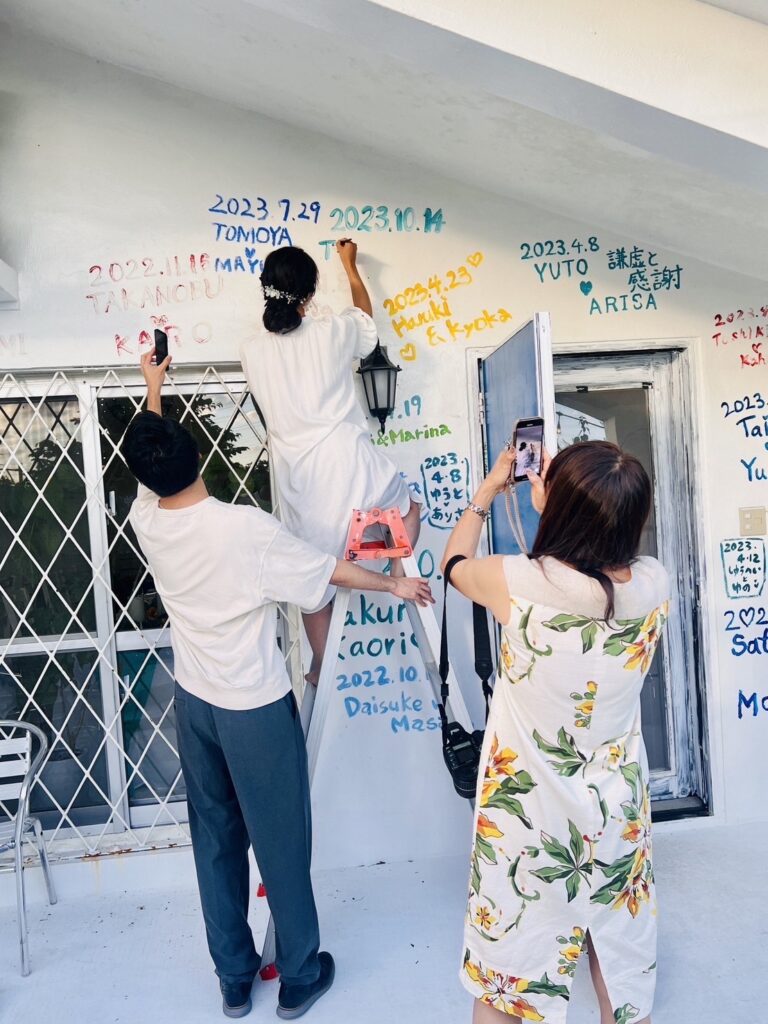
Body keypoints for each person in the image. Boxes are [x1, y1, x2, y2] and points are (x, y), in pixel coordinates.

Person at [121, 349, 433, 1021]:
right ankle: (298, 978)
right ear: (197, 458)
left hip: (195, 704)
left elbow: (149, 458)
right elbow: (328, 572)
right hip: (253, 709)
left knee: (215, 840)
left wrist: (153, 387)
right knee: (282, 842)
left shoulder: (148, 518)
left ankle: (234, 980)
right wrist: (394, 585)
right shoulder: (244, 530)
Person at [441, 441, 670, 1024]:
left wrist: (490, 490)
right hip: (615, 808)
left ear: (561, 505)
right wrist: (561, 505)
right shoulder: (654, 584)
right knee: (617, 960)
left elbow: (453, 562)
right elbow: (594, 573)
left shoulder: (518, 582)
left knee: (505, 974)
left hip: (527, 816)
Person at [240, 241, 420, 685]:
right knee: (407, 510)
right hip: (349, 463)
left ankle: (321, 664)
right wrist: (350, 265)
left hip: (299, 478)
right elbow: (365, 319)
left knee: (314, 578)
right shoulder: (331, 331)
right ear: (310, 291)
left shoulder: (251, 350)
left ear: (265, 288)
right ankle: (398, 568)